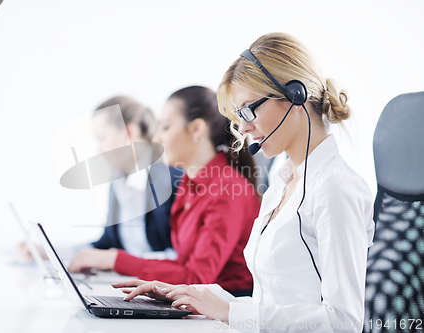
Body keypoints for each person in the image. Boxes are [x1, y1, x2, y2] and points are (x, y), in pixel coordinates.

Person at [113, 33, 375, 332]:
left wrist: (228, 311)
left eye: (250, 108)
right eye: (240, 114)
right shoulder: (282, 182)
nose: (245, 126)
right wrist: (193, 294)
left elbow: (343, 321)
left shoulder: (335, 187)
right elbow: (274, 302)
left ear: (295, 95)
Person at [68, 86, 261, 297]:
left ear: (196, 129)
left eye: (166, 128)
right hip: (194, 303)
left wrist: (114, 259)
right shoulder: (188, 185)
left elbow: (197, 278)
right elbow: (181, 263)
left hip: (226, 309)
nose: (157, 139)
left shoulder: (229, 190)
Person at [19, 96, 182, 261]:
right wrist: (50, 252)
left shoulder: (172, 179)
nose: (98, 149)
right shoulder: (118, 179)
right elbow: (107, 243)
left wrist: (118, 262)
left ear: (129, 133)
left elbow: (182, 257)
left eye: (102, 138)